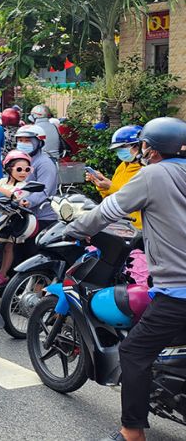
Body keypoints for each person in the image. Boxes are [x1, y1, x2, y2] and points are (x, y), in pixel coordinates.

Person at [64, 117, 186, 441]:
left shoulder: (153, 174)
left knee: (133, 352)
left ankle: (131, 432)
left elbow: (108, 211)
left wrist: (75, 229)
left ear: (153, 149)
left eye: (145, 145)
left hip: (177, 293)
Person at [0, 150, 33, 285]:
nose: (23, 173)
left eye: (27, 169)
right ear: (9, 169)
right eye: (19, 169)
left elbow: (14, 195)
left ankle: (2, 274)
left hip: (11, 221)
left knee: (8, 247)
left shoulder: (25, 186)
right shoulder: (2, 181)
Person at [86, 125, 144, 229]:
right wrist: (102, 185)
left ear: (137, 146)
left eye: (122, 147)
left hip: (139, 229)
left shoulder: (146, 170)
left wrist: (110, 186)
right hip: (121, 225)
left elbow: (134, 200)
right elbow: (112, 199)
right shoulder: (123, 166)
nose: (119, 152)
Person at [14, 124, 59, 258]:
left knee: (32, 255)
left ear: (39, 142)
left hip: (41, 217)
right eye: (20, 140)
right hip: (25, 214)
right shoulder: (21, 161)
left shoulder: (44, 163)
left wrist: (28, 201)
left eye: (27, 141)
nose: (23, 143)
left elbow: (44, 190)